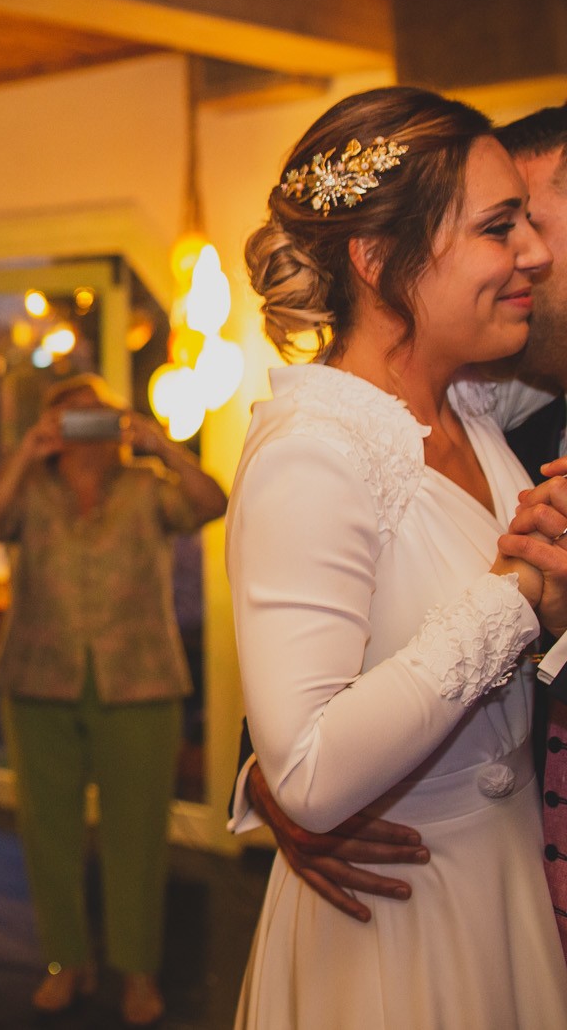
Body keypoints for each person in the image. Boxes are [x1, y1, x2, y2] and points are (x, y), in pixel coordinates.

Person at [228, 86, 567, 1027]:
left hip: (501, 888)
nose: (530, 253)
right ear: (378, 260)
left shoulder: (467, 402)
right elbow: (307, 768)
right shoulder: (312, 447)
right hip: (400, 914)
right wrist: (522, 594)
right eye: (501, 227)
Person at [0, 371, 226, 1024]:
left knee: (138, 833)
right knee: (47, 829)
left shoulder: (147, 486)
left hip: (139, 676)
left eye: (97, 413)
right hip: (38, 675)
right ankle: (65, 959)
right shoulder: (31, 486)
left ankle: (138, 969)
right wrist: (28, 450)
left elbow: (212, 501)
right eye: (70, 414)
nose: (85, 424)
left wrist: (161, 443)